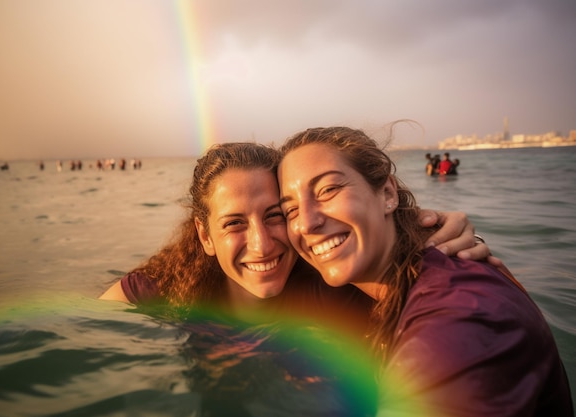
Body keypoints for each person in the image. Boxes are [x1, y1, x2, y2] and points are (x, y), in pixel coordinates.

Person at [277, 126, 573, 416]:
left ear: (388, 193)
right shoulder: (401, 279)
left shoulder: (461, 312)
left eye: (328, 190)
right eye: (290, 210)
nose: (305, 223)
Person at [100, 142, 494, 330]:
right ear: (204, 235)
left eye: (276, 215)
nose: (262, 243)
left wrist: (438, 245)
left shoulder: (338, 294)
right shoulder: (159, 292)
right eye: (234, 223)